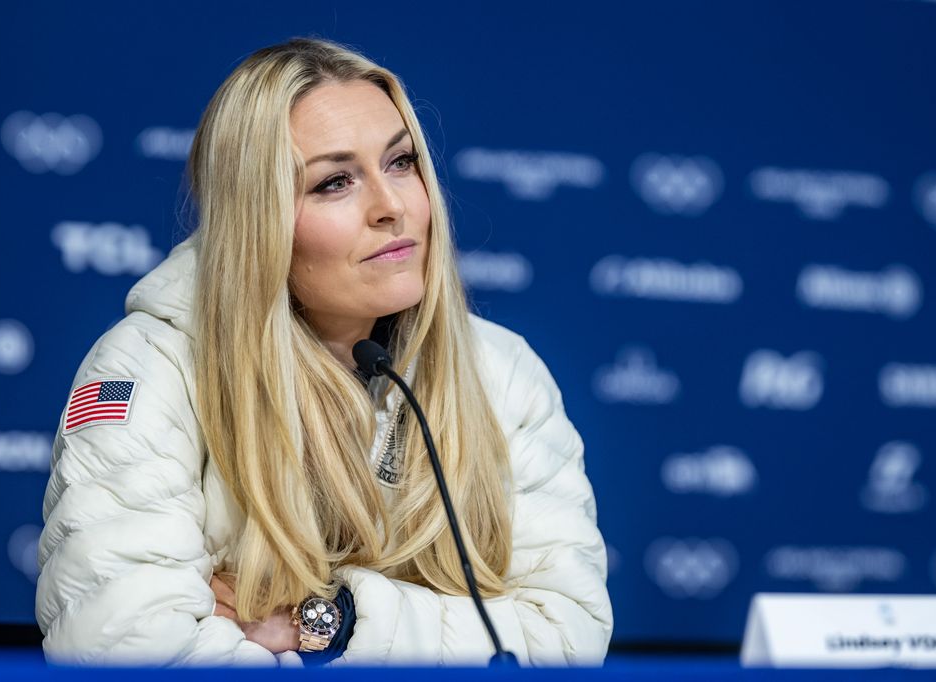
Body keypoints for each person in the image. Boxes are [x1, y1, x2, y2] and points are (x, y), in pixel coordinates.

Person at [36, 37, 613, 666]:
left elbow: (566, 640)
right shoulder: (150, 368)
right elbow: (125, 649)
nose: (392, 207)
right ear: (256, 218)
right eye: (335, 182)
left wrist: (332, 619)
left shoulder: (502, 373)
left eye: (401, 163)